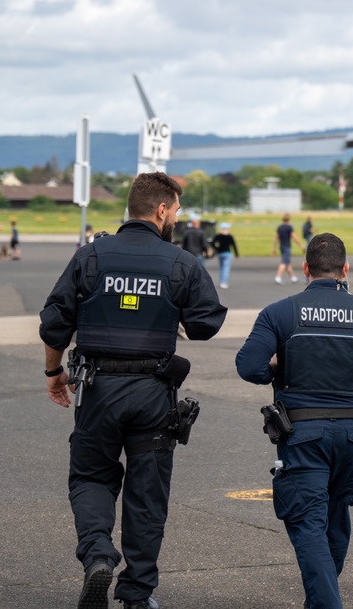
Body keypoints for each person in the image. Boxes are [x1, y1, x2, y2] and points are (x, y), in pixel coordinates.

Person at [39, 172, 227, 609]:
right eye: (176, 209)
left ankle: (99, 556)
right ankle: (137, 595)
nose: (177, 217)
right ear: (161, 210)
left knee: (91, 477)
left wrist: (53, 373)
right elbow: (206, 323)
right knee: (147, 496)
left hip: (98, 390)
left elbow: (53, 324)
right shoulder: (180, 262)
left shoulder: (90, 256)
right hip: (153, 393)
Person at [235, 232, 353, 609]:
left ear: (305, 269)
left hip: (303, 434)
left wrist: (276, 370)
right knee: (335, 517)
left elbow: (248, 366)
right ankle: (324, 595)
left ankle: (326, 603)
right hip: (352, 436)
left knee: (308, 523)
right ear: (345, 270)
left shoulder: (280, 312)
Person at [273, 213, 304, 284]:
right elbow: (294, 237)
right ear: (289, 219)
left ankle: (293, 278)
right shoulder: (289, 227)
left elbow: (276, 238)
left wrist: (274, 248)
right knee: (284, 263)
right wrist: (301, 245)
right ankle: (278, 277)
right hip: (287, 247)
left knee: (287, 263)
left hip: (281, 247)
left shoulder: (280, 227)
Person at [211, 222, 239, 289]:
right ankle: (223, 282)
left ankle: (221, 281)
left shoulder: (218, 236)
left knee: (221, 268)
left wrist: (217, 249)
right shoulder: (229, 236)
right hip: (227, 253)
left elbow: (212, 243)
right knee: (225, 268)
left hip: (220, 253)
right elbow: (234, 245)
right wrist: (236, 254)